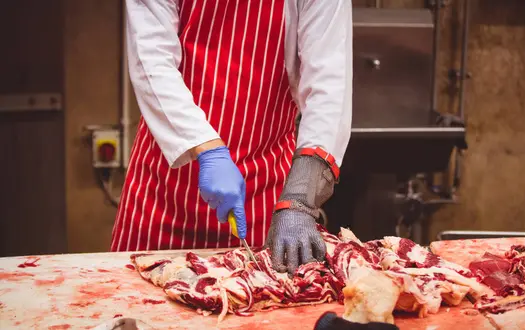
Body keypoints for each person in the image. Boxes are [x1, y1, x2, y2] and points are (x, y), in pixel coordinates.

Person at [111, 0, 352, 275]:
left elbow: (328, 86)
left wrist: (299, 200)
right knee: (136, 307)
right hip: (164, 194)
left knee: (263, 308)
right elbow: (151, 61)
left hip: (266, 191)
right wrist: (208, 149)